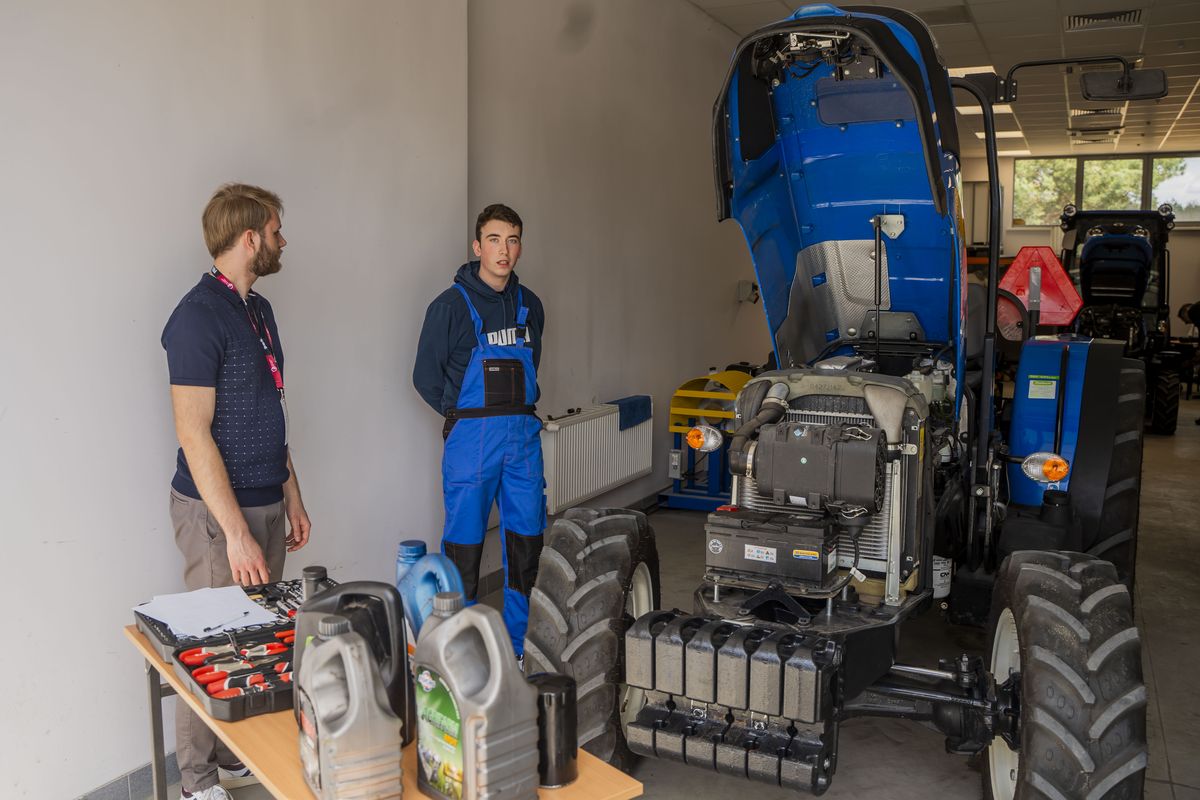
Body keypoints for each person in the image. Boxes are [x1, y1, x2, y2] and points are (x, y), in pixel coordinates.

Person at [161, 183, 312, 800]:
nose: (283, 240)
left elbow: (270, 411)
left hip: (266, 496)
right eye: (275, 231)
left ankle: (231, 756)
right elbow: (193, 433)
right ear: (250, 238)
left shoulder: (259, 310)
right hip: (218, 514)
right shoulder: (197, 317)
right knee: (209, 642)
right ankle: (196, 782)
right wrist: (236, 533)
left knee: (255, 639)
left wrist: (292, 493)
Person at [413, 203, 546, 658]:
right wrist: (461, 416)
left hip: (523, 440)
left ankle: (521, 647)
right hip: (472, 443)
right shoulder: (449, 307)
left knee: (527, 543)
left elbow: (534, 364)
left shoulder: (531, 306)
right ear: (477, 247)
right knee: (464, 546)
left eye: (512, 240)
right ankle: (461, 648)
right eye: (494, 240)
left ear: (519, 247)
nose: (503, 250)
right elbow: (425, 378)